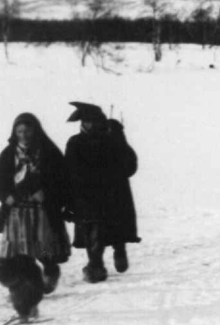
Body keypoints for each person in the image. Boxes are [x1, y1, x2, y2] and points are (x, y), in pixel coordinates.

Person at [64, 102, 140, 283]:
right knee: (93, 232)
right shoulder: (75, 142)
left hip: (113, 194)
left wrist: (119, 137)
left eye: (95, 121)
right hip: (86, 197)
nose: (91, 125)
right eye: (87, 121)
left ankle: (119, 250)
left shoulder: (112, 139)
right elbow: (68, 171)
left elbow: (129, 165)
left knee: (114, 227)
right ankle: (95, 266)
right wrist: (70, 200)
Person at [0, 113, 72, 293]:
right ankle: (24, 286)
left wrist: (47, 193)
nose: (24, 135)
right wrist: (5, 196)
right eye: (20, 131)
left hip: (42, 211)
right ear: (15, 132)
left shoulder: (48, 151)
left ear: (35, 130)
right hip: (16, 212)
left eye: (27, 130)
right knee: (17, 252)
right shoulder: (8, 154)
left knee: (44, 250)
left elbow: (63, 179)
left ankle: (50, 269)